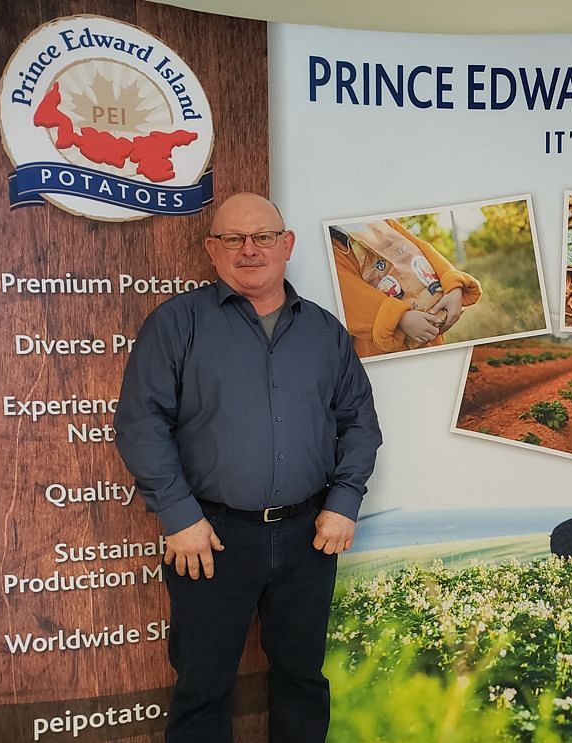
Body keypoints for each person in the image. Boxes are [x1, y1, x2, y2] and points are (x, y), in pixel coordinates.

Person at [114, 193, 383, 742]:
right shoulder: (176, 323)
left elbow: (360, 424)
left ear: (287, 245)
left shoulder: (325, 331)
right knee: (204, 687)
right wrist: (179, 516)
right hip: (209, 540)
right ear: (212, 250)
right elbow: (141, 424)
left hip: (311, 537)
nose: (249, 249)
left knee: (302, 679)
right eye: (233, 239)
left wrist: (344, 501)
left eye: (262, 236)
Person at [330, 219, 481, 357]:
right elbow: (349, 296)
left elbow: (421, 249)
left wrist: (454, 286)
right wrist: (400, 318)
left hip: (431, 344)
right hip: (382, 355)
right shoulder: (331, 248)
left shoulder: (382, 221)